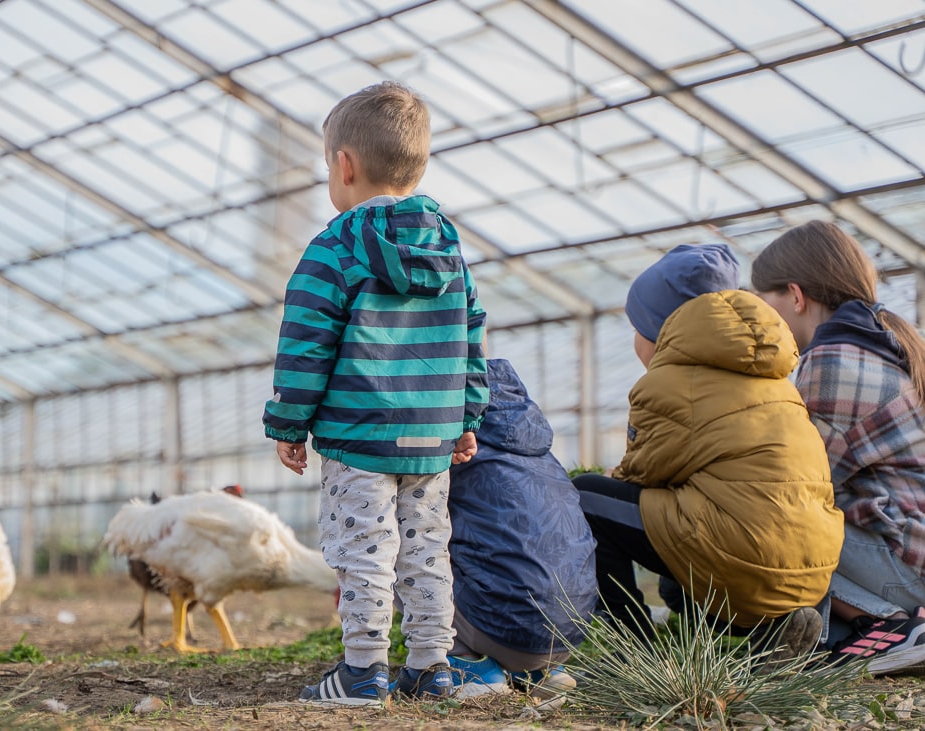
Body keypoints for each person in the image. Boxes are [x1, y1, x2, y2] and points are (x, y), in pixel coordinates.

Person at [262, 81, 488, 707]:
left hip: (358, 439)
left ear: (344, 165)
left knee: (364, 551)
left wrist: (287, 424)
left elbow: (305, 345)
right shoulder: (450, 248)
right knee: (425, 551)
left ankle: (363, 672)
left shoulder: (334, 249)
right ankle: (430, 668)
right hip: (431, 439)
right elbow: (471, 338)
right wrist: (467, 416)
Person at [573, 242, 843, 664]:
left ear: (661, 333)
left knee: (587, 497)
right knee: (672, 580)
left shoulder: (671, 385)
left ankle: (635, 648)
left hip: (741, 556)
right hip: (809, 570)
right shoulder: (775, 380)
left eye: (637, 327)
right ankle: (771, 635)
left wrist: (616, 477)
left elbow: (642, 476)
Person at [752, 220, 925, 674]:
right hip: (912, 551)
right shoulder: (884, 341)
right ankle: (881, 626)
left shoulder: (831, 359)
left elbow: (798, 485)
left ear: (795, 295)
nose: (764, 320)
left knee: (764, 521)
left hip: (907, 568)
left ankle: (886, 623)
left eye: (765, 304)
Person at [446, 359, 596, 702]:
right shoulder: (542, 455)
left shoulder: (461, 450)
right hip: (569, 633)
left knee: (404, 535)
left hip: (509, 630)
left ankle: (469, 666)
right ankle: (540, 670)